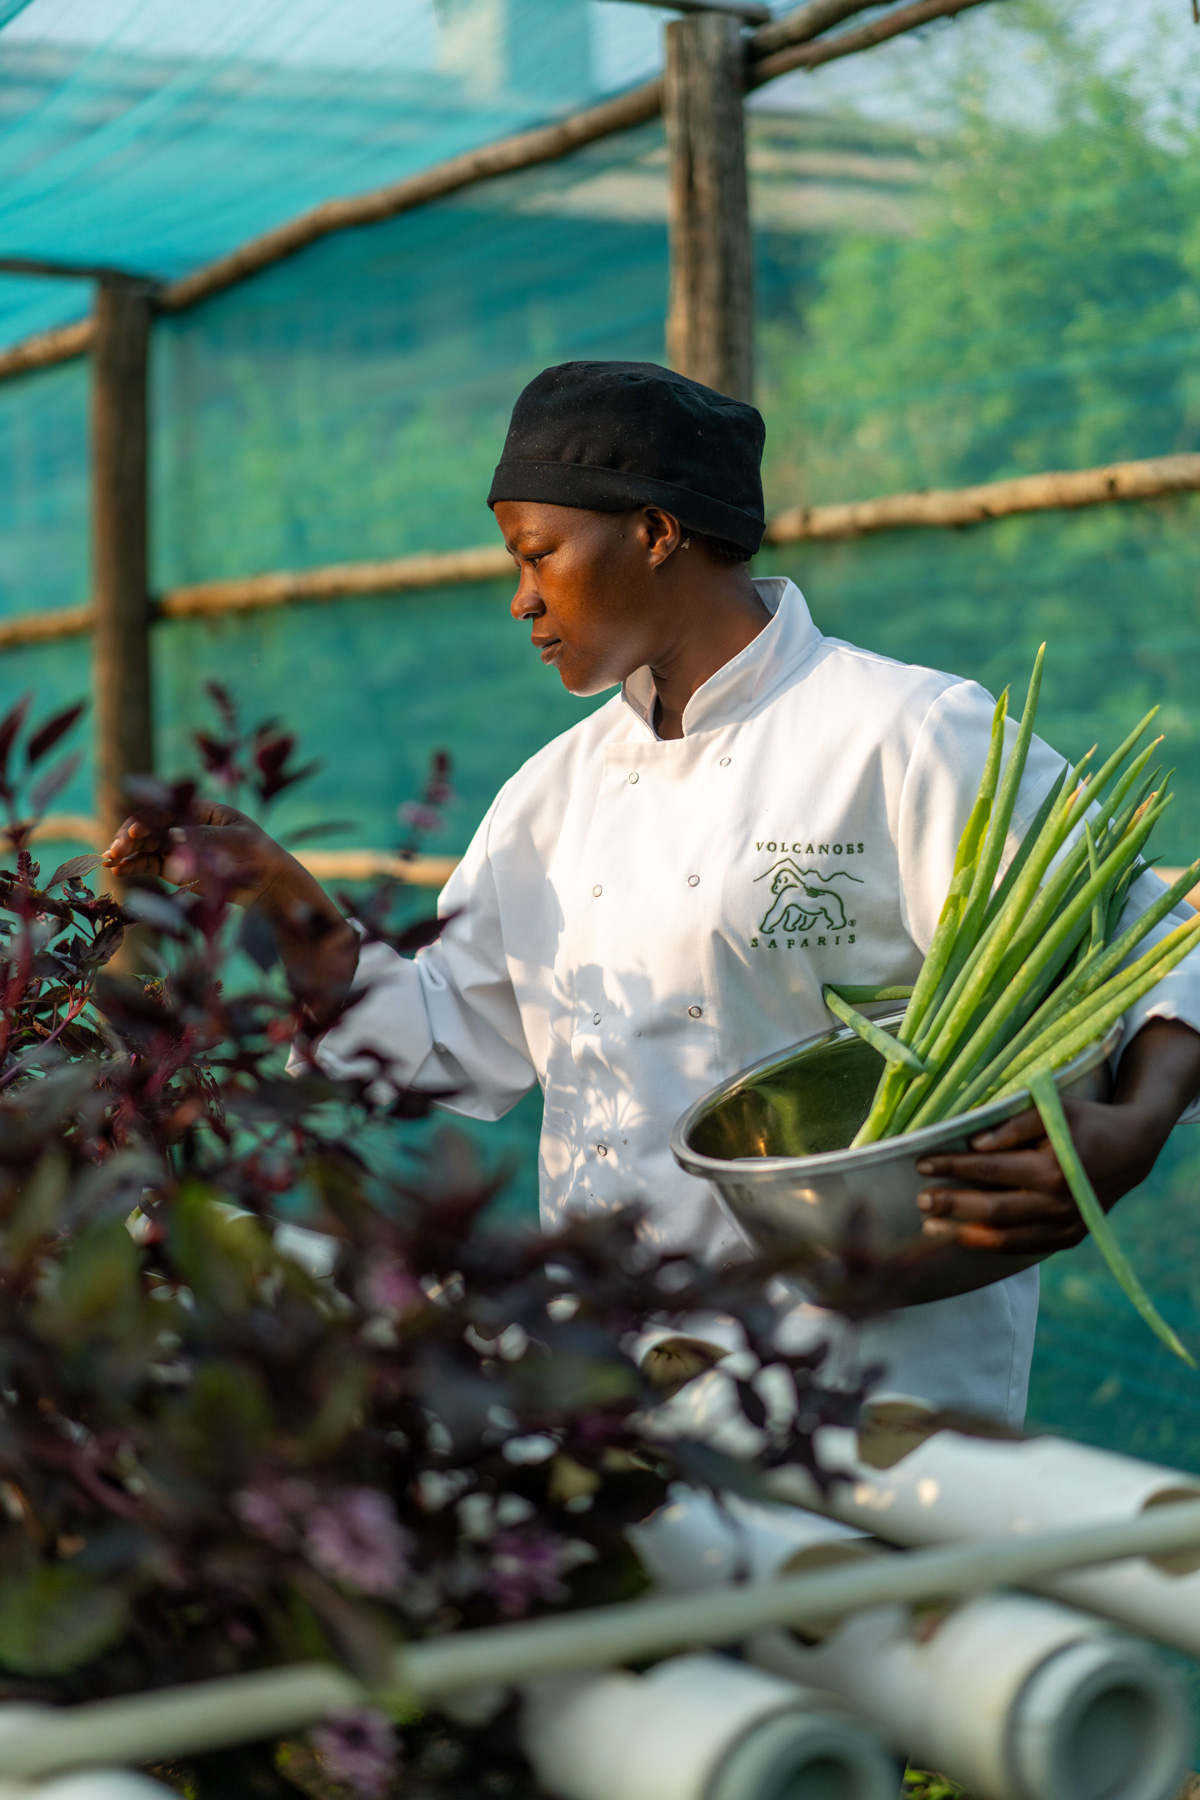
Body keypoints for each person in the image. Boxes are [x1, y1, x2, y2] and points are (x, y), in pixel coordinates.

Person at [103, 360, 1200, 1427]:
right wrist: (275, 888)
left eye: (538, 554)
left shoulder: (905, 736)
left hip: (870, 1396)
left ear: (655, 532)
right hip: (606, 1391)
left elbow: (1161, 950)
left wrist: (1135, 1128)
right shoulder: (553, 796)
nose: (521, 599)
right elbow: (441, 1035)